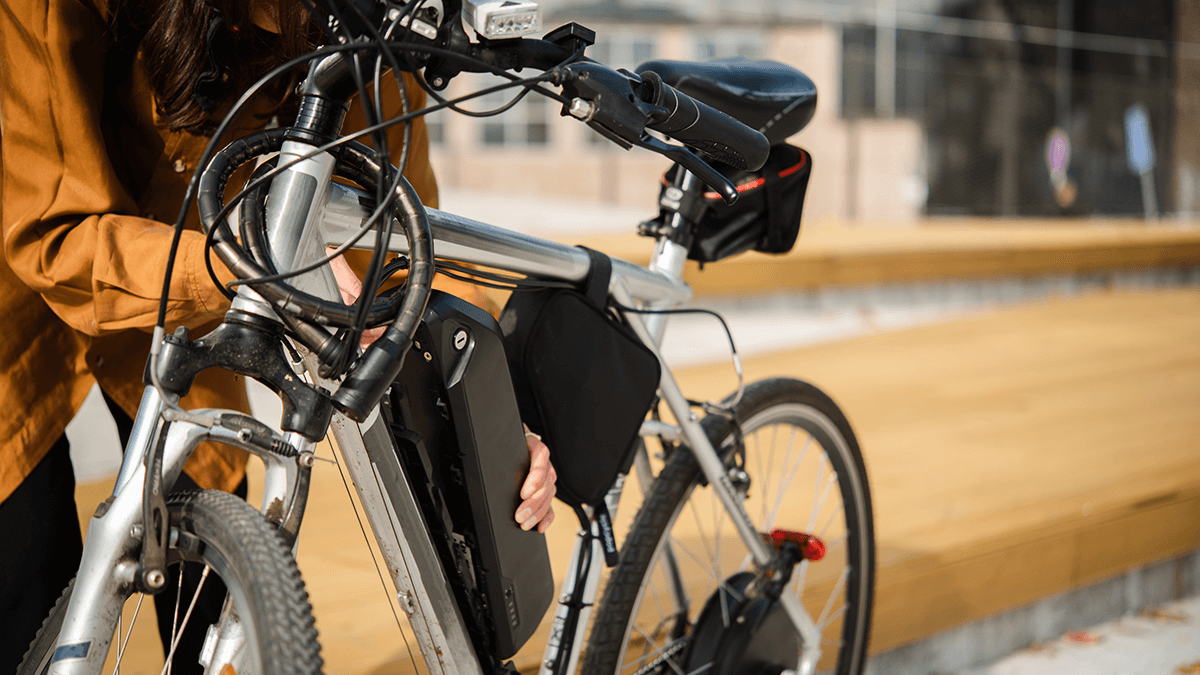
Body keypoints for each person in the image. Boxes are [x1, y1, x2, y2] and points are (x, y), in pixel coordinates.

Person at [0, 0, 555, 671]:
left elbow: (404, 236)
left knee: (212, 591)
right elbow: (52, 230)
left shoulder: (373, 12)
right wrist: (255, 263)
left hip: (202, 275)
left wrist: (491, 418)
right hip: (21, 296)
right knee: (24, 569)